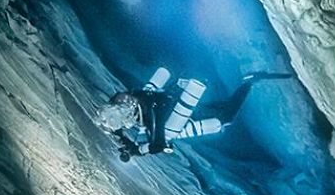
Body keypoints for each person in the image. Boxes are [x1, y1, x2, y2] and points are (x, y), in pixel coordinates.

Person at [97, 67, 291, 160]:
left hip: (183, 115)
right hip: (181, 105)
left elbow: (158, 143)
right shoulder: (137, 98)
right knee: (218, 108)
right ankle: (247, 81)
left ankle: (249, 81)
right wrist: (122, 138)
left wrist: (136, 150)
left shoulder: (149, 111)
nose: (125, 101)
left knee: (225, 119)